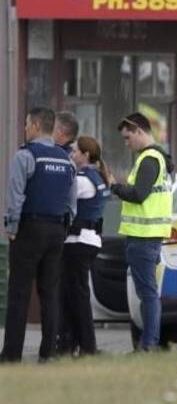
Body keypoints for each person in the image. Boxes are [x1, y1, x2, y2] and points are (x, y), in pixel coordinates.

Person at [1, 107, 78, 363]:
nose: (24, 128)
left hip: (29, 229)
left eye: (26, 124)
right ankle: (49, 353)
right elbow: (71, 202)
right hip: (57, 232)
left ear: (35, 126)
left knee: (19, 293)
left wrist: (11, 228)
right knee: (50, 294)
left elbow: (16, 195)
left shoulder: (25, 156)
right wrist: (64, 227)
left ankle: (12, 355)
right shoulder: (66, 159)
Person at [110, 112, 174, 351]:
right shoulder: (159, 158)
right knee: (148, 292)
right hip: (149, 236)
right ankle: (149, 342)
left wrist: (114, 187)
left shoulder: (149, 159)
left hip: (143, 237)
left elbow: (138, 195)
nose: (127, 143)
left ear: (139, 131)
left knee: (147, 294)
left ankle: (148, 344)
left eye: (128, 137)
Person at [58, 136, 112, 356]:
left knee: (75, 297)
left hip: (77, 243)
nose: (72, 155)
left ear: (86, 155)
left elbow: (61, 197)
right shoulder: (99, 176)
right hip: (89, 241)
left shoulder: (82, 180)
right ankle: (76, 344)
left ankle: (86, 346)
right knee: (75, 295)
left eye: (75, 152)